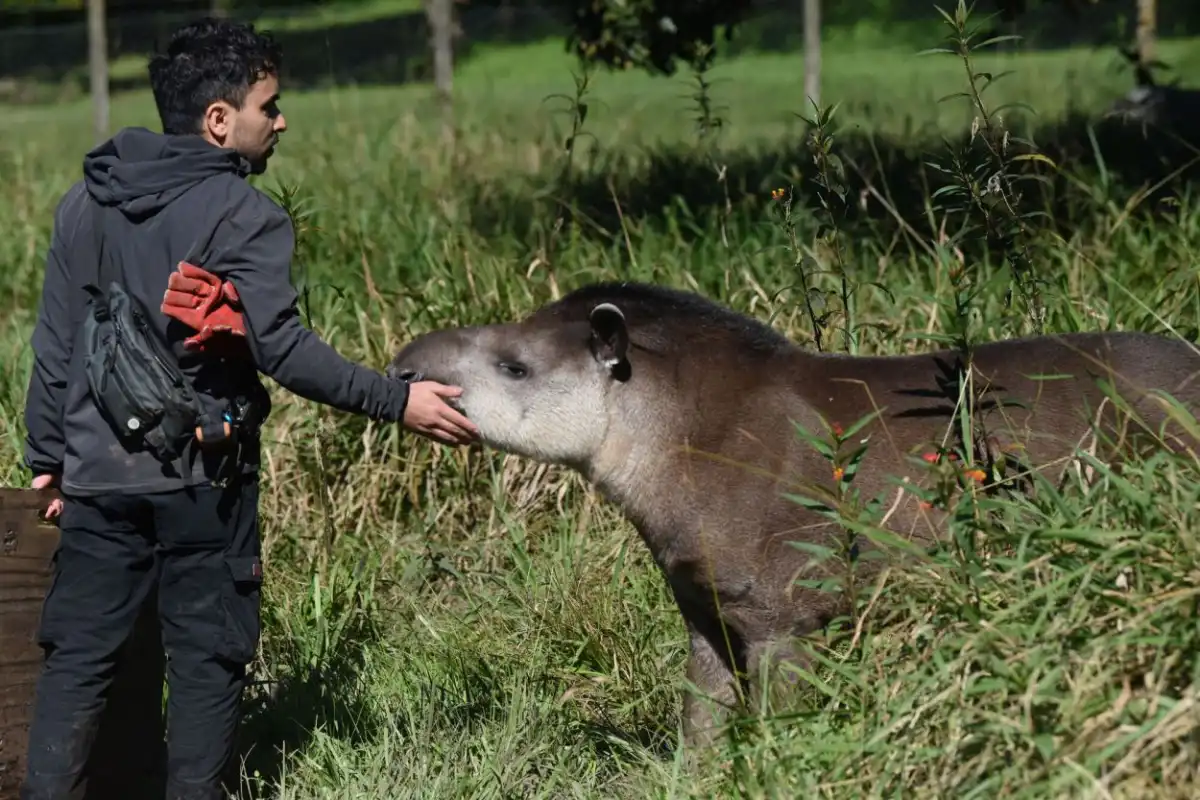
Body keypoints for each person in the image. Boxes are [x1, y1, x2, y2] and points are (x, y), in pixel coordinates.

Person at [19, 16, 478, 800]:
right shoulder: (244, 216)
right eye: (271, 105)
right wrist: (398, 401)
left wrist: (48, 460)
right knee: (206, 660)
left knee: (79, 661)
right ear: (219, 121)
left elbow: (55, 343)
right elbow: (286, 351)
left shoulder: (82, 202)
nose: (282, 120)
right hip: (203, 478)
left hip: (94, 482)